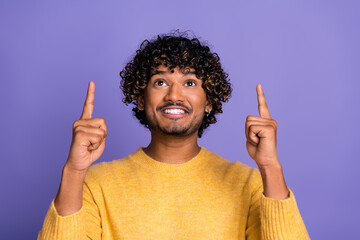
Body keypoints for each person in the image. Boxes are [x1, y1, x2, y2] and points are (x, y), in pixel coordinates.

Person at [38, 32, 310, 240]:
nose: (174, 95)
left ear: (209, 101)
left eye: (190, 82)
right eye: (160, 82)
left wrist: (271, 167)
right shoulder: (95, 185)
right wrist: (74, 170)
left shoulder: (248, 183)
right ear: (141, 99)